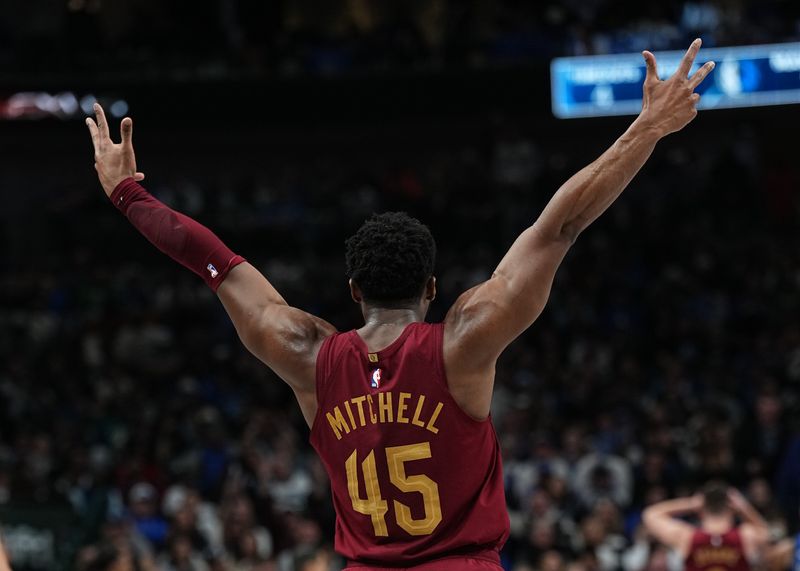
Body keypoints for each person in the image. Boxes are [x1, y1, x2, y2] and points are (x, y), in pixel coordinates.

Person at [85, 39, 714, 570]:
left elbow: (212, 261)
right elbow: (559, 227)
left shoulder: (307, 356)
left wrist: (127, 195)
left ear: (352, 290)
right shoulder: (463, 342)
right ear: (433, 288)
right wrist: (648, 126)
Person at [642, 483, 769, 571]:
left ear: (701, 511)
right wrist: (744, 508)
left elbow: (651, 515)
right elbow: (766, 533)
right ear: (732, 509)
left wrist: (691, 504)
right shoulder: (745, 536)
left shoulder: (687, 537)